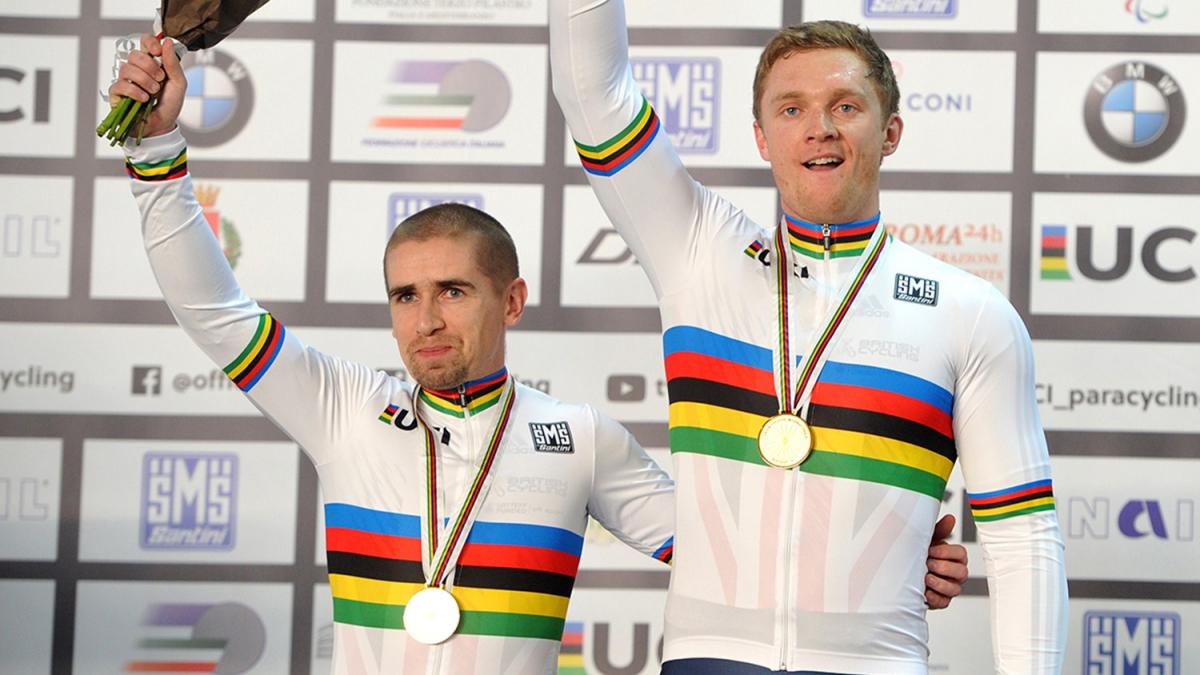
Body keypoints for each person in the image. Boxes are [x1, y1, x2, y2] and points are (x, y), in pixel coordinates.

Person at [111, 32, 969, 675]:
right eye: (406, 296)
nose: (427, 321)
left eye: (454, 291)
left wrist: (890, 550)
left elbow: (739, 537)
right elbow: (215, 312)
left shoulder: (577, 437)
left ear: (511, 301)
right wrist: (154, 149)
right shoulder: (343, 408)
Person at [550, 3, 1067, 674]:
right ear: (762, 137)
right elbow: (592, 89)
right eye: (790, 109)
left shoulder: (970, 313)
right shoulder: (697, 249)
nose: (819, 128)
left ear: (891, 132)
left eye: (846, 106)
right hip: (710, 659)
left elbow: (1023, 536)